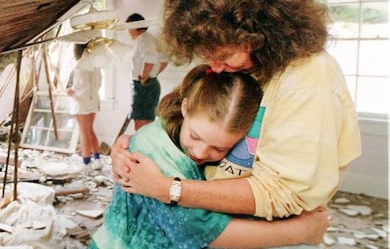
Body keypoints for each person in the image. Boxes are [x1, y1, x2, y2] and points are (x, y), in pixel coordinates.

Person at [111, 0, 361, 226]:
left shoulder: (309, 81)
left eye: (225, 56)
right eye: (208, 57)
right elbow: (183, 123)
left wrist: (168, 189)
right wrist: (133, 148)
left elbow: (281, 193)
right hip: (214, 219)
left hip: (270, 233)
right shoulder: (243, 66)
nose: (216, 68)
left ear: (258, 34)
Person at [92, 64, 329, 249]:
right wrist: (301, 231)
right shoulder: (150, 150)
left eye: (219, 148)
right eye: (195, 135)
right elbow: (197, 230)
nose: (201, 152)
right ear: (185, 108)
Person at [118, 13, 167, 135]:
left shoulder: (143, 40)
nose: (128, 31)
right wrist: (152, 74)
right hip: (150, 83)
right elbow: (164, 60)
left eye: (129, 28)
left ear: (134, 27)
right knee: (147, 122)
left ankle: (141, 150)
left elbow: (150, 59)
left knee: (140, 125)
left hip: (142, 85)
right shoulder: (150, 39)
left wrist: (144, 76)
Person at [67, 42, 103, 170]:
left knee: (84, 132)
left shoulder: (79, 66)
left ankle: (86, 162)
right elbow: (98, 83)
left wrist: (71, 91)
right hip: (93, 101)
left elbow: (78, 86)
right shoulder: (95, 65)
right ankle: (97, 160)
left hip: (81, 102)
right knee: (90, 130)